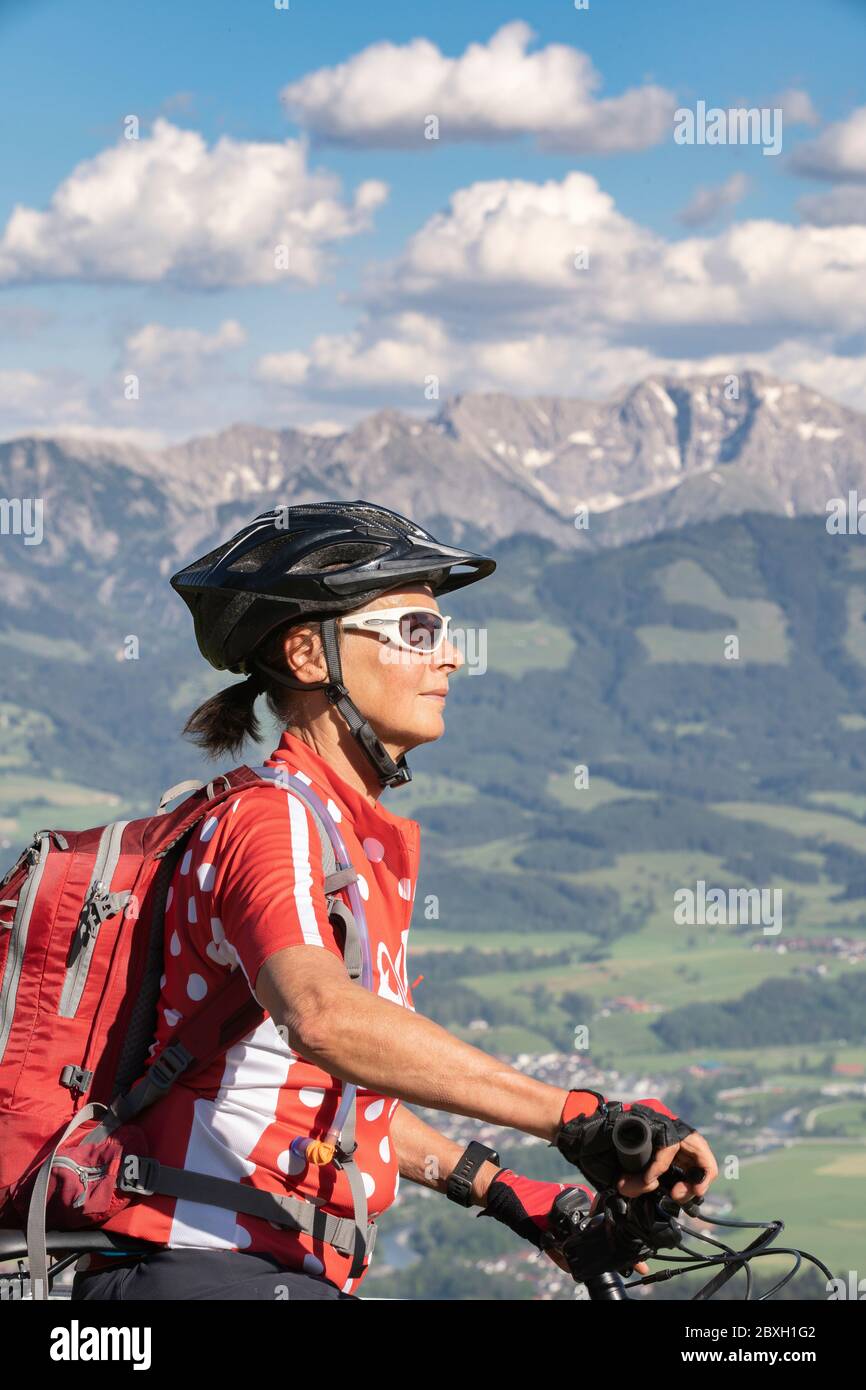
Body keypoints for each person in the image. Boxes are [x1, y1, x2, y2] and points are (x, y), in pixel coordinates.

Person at [72, 499, 717, 1301]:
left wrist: (508, 1193)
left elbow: (316, 1087)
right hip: (207, 1266)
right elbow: (324, 1021)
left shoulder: (339, 839)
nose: (449, 659)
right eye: (418, 632)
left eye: (444, 635)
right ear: (309, 653)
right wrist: (574, 1115)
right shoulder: (271, 823)